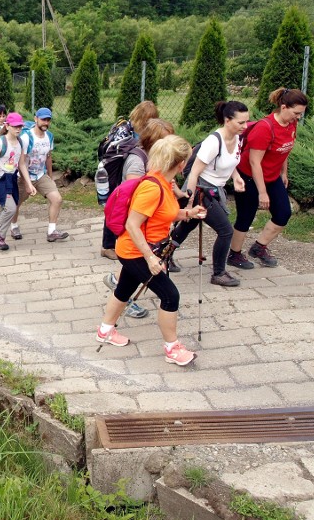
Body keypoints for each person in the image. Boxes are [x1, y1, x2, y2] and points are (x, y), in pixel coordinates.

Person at [96, 135, 207, 367]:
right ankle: (172, 348)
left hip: (141, 250)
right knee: (170, 296)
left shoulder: (165, 183)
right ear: (181, 164)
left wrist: (189, 213)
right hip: (136, 252)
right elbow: (132, 225)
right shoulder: (152, 188)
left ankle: (105, 330)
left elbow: (166, 213)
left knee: (125, 288)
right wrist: (150, 258)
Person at [172, 101, 249, 287]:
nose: (245, 126)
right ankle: (218, 273)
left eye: (247, 122)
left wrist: (236, 177)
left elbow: (230, 163)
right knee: (226, 231)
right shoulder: (213, 142)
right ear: (227, 120)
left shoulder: (238, 138)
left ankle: (163, 255)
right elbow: (194, 173)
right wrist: (189, 203)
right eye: (241, 123)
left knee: (187, 226)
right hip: (202, 191)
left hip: (215, 190)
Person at [229, 88, 307, 269]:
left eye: (301, 114)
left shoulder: (291, 124)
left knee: (283, 214)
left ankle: (259, 247)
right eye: (296, 113)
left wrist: (283, 173)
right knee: (246, 216)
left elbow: (285, 149)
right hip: (248, 176)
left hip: (272, 176)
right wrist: (262, 193)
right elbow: (254, 162)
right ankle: (234, 254)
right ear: (283, 107)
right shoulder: (265, 128)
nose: (298, 117)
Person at [100, 101, 161, 260]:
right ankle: (107, 246)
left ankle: (123, 241)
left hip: (125, 171)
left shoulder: (134, 129)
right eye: (149, 120)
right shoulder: (125, 130)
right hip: (116, 173)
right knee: (114, 208)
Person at [7, 107, 71, 243]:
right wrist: (27, 183)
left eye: (48, 120)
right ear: (36, 119)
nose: (46, 123)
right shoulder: (26, 137)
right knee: (16, 204)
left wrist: (50, 176)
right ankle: (13, 226)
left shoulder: (50, 136)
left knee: (57, 199)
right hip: (23, 176)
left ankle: (52, 231)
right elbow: (21, 162)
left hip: (40, 175)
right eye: (43, 119)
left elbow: (48, 157)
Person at [0, 112, 35, 250]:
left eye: (20, 126)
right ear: (7, 126)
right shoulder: (0, 143)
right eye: (15, 126)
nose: (18, 129)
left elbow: (22, 164)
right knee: (11, 208)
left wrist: (29, 184)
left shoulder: (20, 142)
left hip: (11, 178)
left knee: (8, 207)